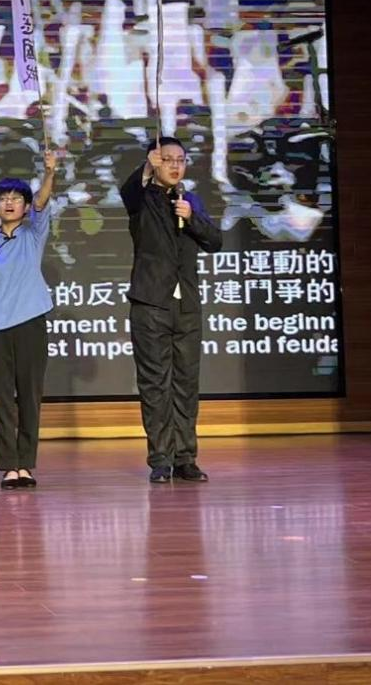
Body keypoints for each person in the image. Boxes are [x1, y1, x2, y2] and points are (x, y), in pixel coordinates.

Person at [121, 137, 223, 484]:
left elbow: (215, 241)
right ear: (155, 162)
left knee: (186, 384)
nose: (175, 165)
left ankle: (186, 458)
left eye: (180, 159)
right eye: (167, 159)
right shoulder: (143, 197)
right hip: (151, 304)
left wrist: (192, 218)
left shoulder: (190, 200)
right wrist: (146, 168)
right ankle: (161, 459)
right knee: (155, 385)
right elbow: (129, 191)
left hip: (187, 306)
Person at [0, 159, 58, 490]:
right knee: (0, 398)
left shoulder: (33, 235)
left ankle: (26, 464)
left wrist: (49, 172)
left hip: (31, 324)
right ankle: (9, 466)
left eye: (17, 198)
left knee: (29, 396)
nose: (9, 203)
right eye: (3, 199)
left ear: (26, 206)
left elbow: (43, 202)